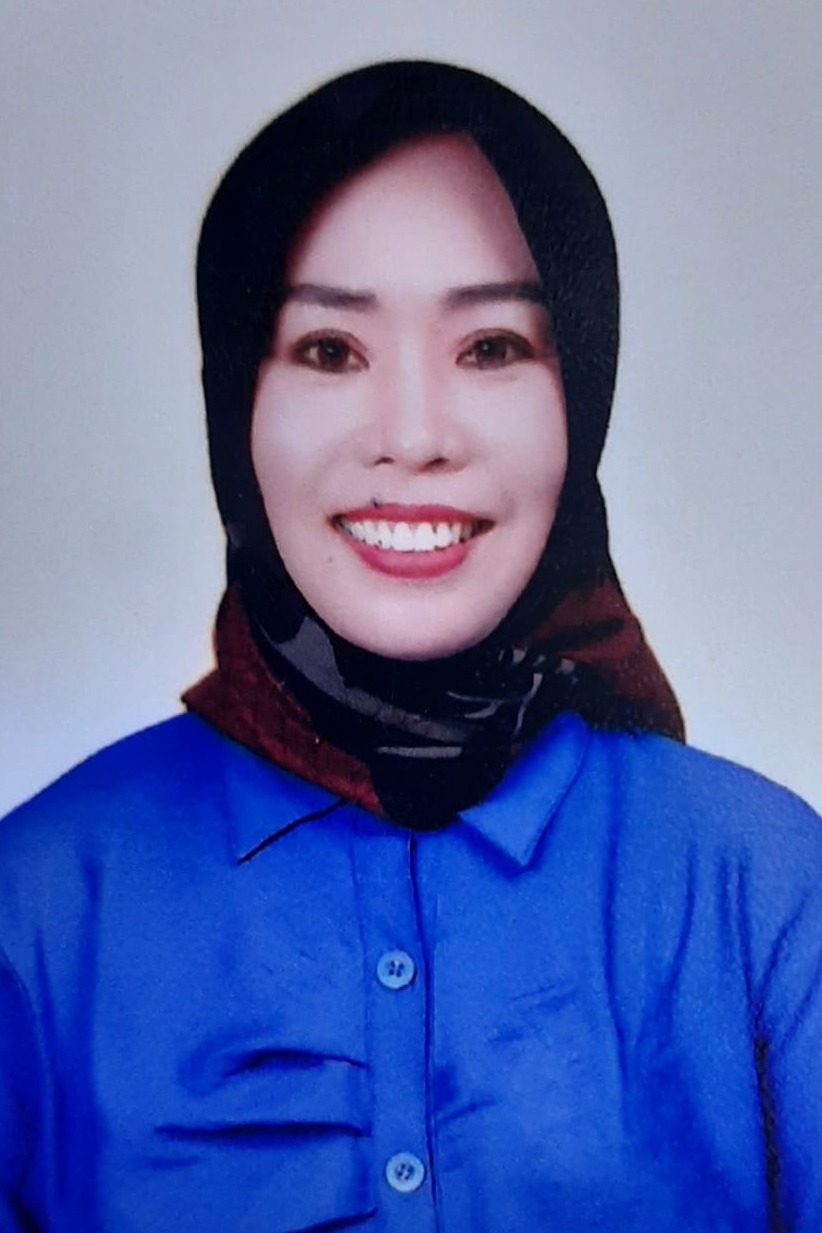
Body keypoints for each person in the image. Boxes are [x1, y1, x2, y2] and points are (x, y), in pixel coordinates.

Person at [1, 59, 820, 1232]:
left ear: (580, 393)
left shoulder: (764, 887)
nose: (415, 436)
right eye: (331, 350)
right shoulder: (38, 906)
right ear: (236, 402)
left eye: (491, 347)